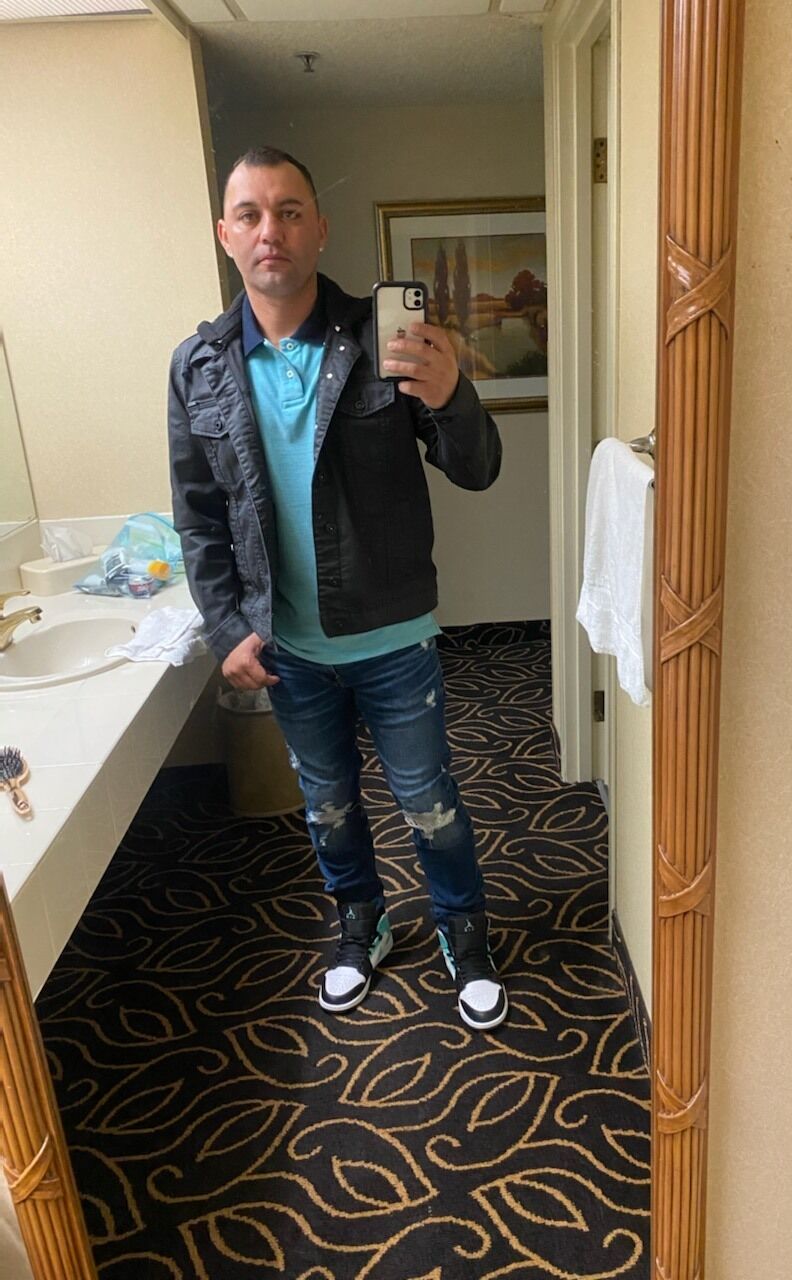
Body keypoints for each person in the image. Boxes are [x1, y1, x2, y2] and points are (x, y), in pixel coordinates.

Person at [167, 146, 507, 1031]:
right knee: (326, 806)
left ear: (319, 228)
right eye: (250, 214)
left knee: (429, 800)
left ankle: (462, 928)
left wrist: (453, 394)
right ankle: (361, 923)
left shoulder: (383, 341)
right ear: (225, 235)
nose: (270, 230)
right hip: (286, 647)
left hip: (393, 636)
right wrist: (225, 627)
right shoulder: (198, 367)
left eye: (289, 211)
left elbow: (477, 468)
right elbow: (198, 517)